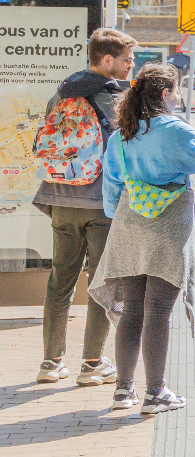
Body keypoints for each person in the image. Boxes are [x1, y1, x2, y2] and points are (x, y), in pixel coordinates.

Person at [89, 63, 195, 413]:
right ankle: (155, 393)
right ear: (165, 94)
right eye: (176, 91)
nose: (178, 97)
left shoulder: (122, 134)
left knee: (132, 310)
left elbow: (112, 188)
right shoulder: (175, 130)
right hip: (169, 227)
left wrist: (124, 217)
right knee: (159, 311)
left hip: (129, 226)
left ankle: (123, 391)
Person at [33, 28, 137, 385]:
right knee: (100, 282)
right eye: (126, 60)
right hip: (101, 204)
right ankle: (92, 364)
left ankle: (51, 362)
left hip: (60, 199)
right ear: (107, 60)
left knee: (60, 280)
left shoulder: (62, 93)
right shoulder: (116, 98)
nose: (131, 66)